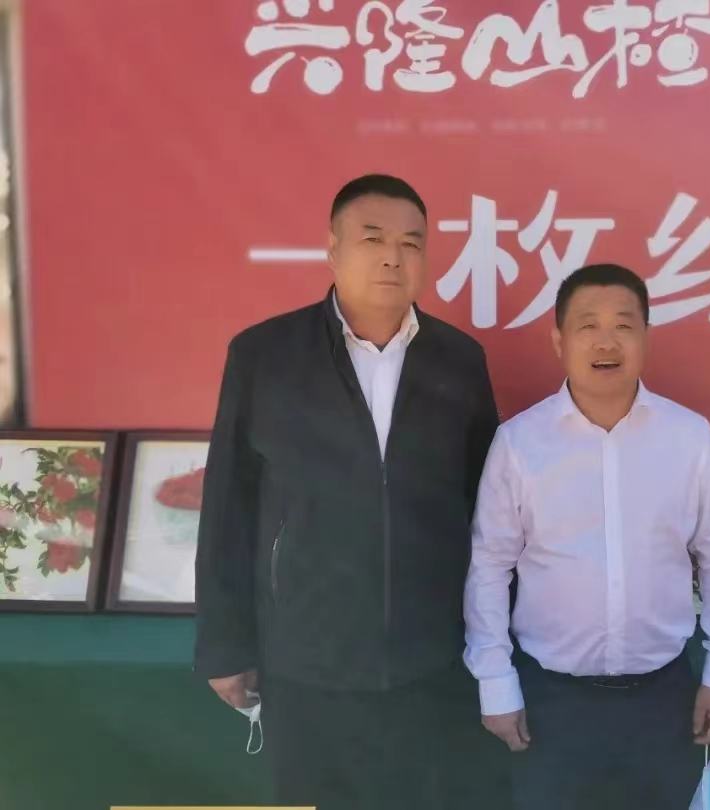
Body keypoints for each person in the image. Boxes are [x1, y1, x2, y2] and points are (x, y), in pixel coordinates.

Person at [195, 174, 501, 809]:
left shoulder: (460, 360)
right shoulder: (264, 356)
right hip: (305, 658)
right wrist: (225, 643)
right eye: (373, 238)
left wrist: (489, 643)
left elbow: (487, 513)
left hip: (431, 660)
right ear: (333, 250)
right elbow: (228, 508)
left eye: (411, 243)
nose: (393, 257)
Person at [464, 263, 710, 809]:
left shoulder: (688, 436)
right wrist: (494, 679)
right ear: (559, 341)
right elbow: (489, 565)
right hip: (550, 700)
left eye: (624, 325)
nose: (606, 341)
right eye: (587, 326)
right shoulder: (519, 443)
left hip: (664, 698)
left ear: (646, 337)